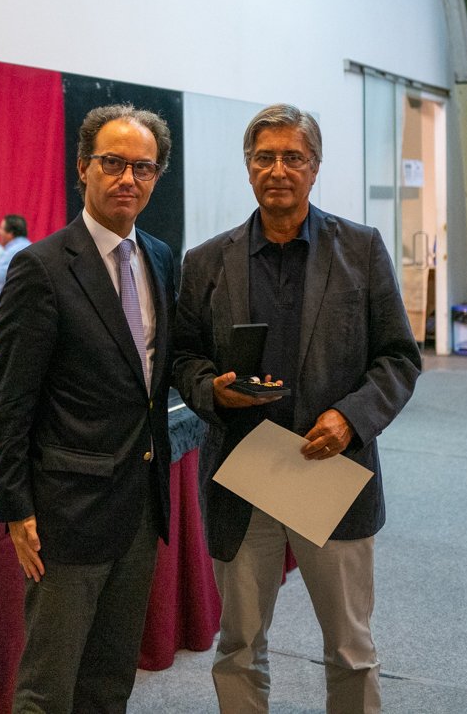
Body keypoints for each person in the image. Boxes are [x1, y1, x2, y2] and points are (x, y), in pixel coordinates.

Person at [173, 103, 422, 713]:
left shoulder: (360, 249)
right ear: (248, 167)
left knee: (350, 649)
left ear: (315, 167)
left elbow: (398, 357)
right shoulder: (206, 261)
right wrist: (211, 390)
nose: (278, 170)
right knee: (238, 647)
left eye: (293, 157)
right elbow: (181, 356)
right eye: (264, 157)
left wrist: (352, 418)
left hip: (329, 471)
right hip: (243, 472)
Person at [0, 104, 177, 713]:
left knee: (109, 681)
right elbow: (11, 400)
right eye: (113, 163)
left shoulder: (160, 258)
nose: (127, 178)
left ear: (156, 177)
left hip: (140, 507)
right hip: (66, 513)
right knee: (47, 688)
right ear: (82, 168)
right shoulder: (41, 267)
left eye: (143, 167)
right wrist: (15, 507)